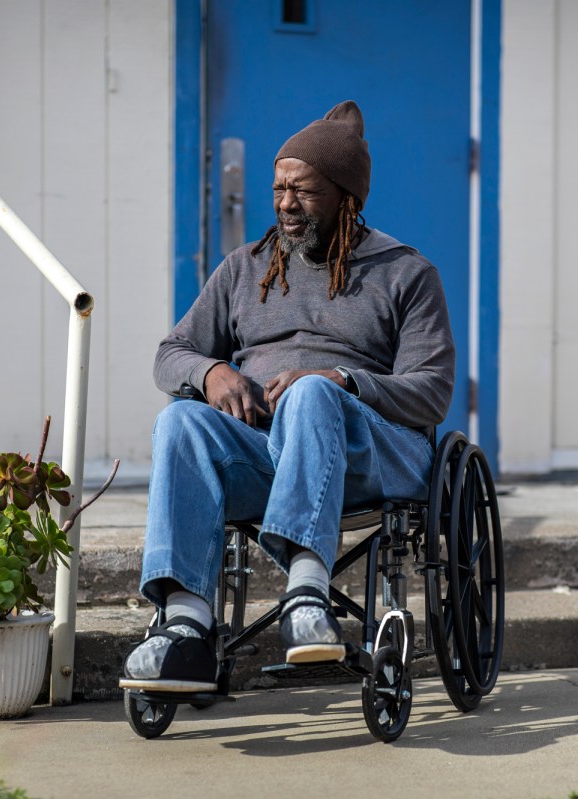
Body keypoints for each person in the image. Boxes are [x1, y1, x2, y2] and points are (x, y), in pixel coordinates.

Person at [120, 100, 455, 693]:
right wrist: (212, 373)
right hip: (272, 457)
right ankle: (185, 626)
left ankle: (307, 591)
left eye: (304, 192)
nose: (285, 205)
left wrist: (343, 381)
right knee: (181, 422)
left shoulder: (406, 274)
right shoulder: (245, 269)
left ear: (346, 196)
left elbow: (431, 394)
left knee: (310, 397)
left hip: (372, 456)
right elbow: (170, 354)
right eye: (278, 189)